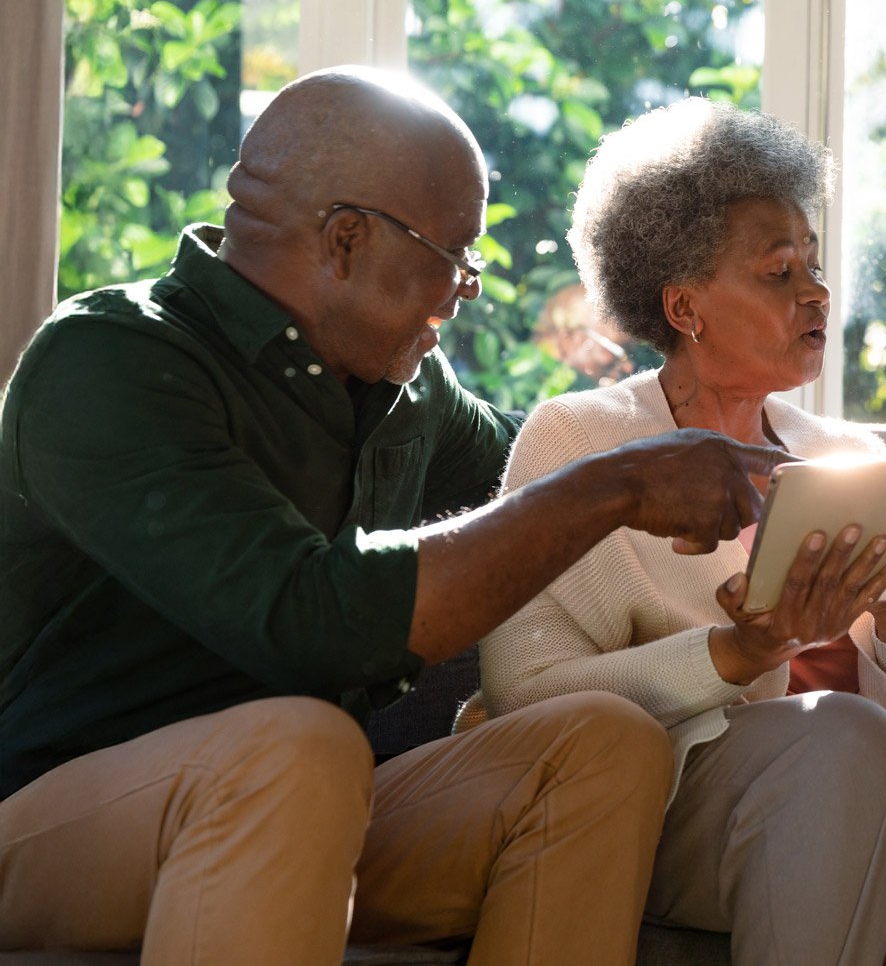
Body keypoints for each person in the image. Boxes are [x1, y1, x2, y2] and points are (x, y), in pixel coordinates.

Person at [0, 67, 790, 965]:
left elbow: (548, 466)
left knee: (602, 743)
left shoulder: (407, 389)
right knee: (301, 749)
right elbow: (312, 620)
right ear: (344, 239)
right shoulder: (109, 363)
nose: (470, 289)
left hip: (311, 801)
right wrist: (619, 484)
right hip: (50, 820)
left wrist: (741, 445)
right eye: (457, 255)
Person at [472, 98, 886, 965]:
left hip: (870, 789)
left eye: (815, 267)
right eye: (779, 272)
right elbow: (524, 686)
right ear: (685, 305)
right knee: (843, 734)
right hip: (668, 803)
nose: (816, 293)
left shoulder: (848, 453)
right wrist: (737, 653)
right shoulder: (582, 441)